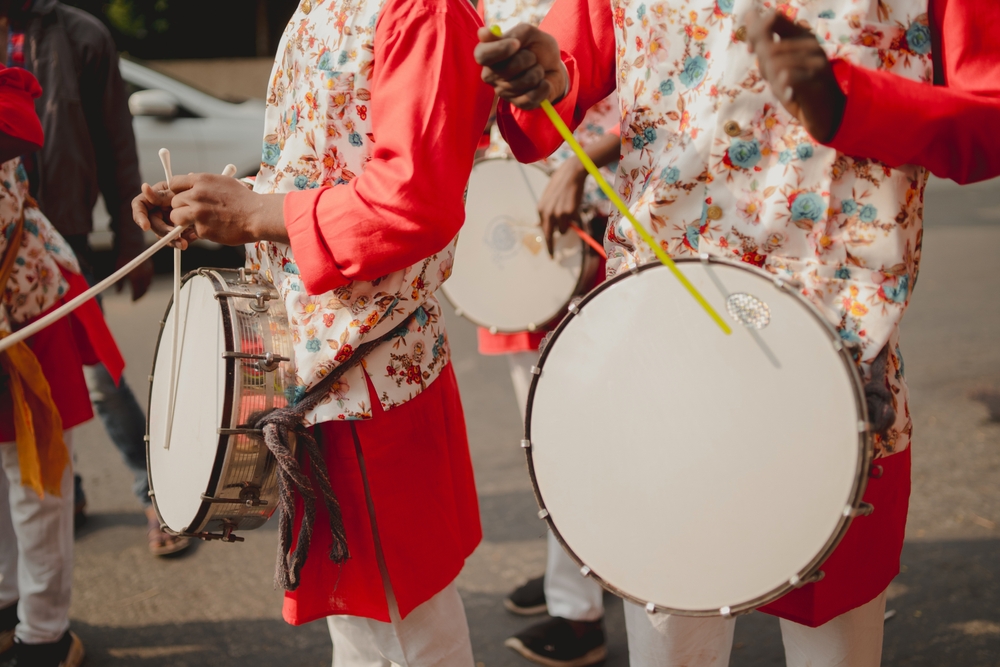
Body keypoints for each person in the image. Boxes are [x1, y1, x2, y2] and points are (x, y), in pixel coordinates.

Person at [476, 1, 1000, 665]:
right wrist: (546, 78)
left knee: (831, 644)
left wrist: (846, 102)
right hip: (658, 342)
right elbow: (570, 67)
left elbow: (990, 115)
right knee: (670, 641)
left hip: (836, 356)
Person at [133, 0, 493, 662]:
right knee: (367, 623)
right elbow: (315, 164)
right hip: (315, 361)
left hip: (369, 365)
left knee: (403, 626)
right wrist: (220, 205)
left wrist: (257, 213)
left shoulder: (423, 9)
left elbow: (414, 203)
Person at [2, 0, 182, 555]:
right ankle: (67, 491)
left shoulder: (80, 35)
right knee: (13, 382)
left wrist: (134, 242)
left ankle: (158, 495)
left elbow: (114, 143)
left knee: (97, 378)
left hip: (59, 242)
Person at [474, 3, 618, 661]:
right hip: (512, 239)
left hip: (581, 237)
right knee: (546, 430)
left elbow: (657, 90)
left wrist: (580, 159)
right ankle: (581, 569)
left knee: (568, 433)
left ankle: (579, 608)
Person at [0, 56, 124, 667]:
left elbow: (26, 128)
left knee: (33, 485)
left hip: (24, 330)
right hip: (15, 336)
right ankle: (22, 617)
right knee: (25, 488)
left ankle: (34, 627)